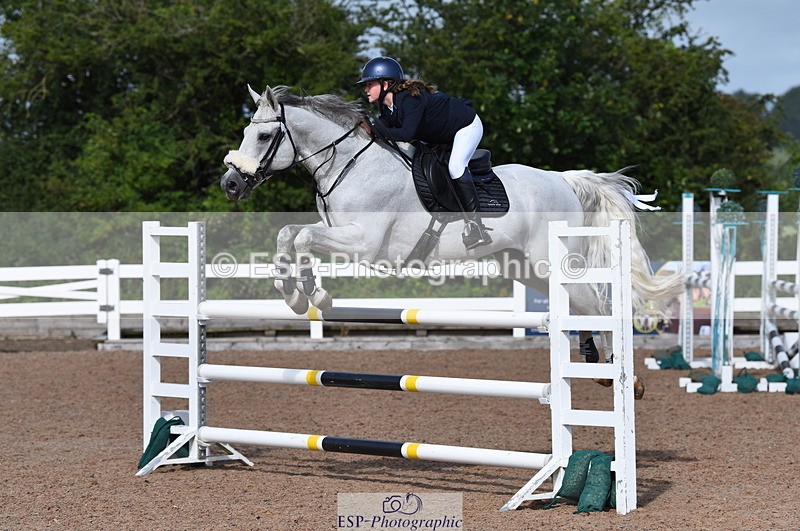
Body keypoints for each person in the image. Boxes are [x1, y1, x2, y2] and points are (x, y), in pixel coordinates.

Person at [356, 56, 491, 250]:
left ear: (386, 83)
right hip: (439, 136)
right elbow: (384, 128)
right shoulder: (387, 107)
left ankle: (476, 226)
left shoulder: (410, 99)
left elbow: (406, 134)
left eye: (369, 84)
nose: (366, 89)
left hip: (465, 126)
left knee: (456, 167)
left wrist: (374, 130)